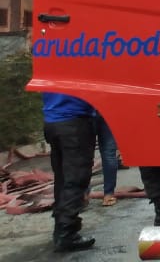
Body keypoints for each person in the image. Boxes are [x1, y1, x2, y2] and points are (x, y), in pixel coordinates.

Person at [41, 92, 97, 252]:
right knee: (76, 178)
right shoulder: (76, 66)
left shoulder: (51, 67)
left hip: (52, 121)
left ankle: (60, 228)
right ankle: (67, 232)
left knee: (63, 178)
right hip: (74, 121)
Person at [92, 111, 120, 207]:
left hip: (86, 112)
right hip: (107, 109)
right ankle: (109, 194)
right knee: (109, 154)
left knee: (85, 156)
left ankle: (83, 194)